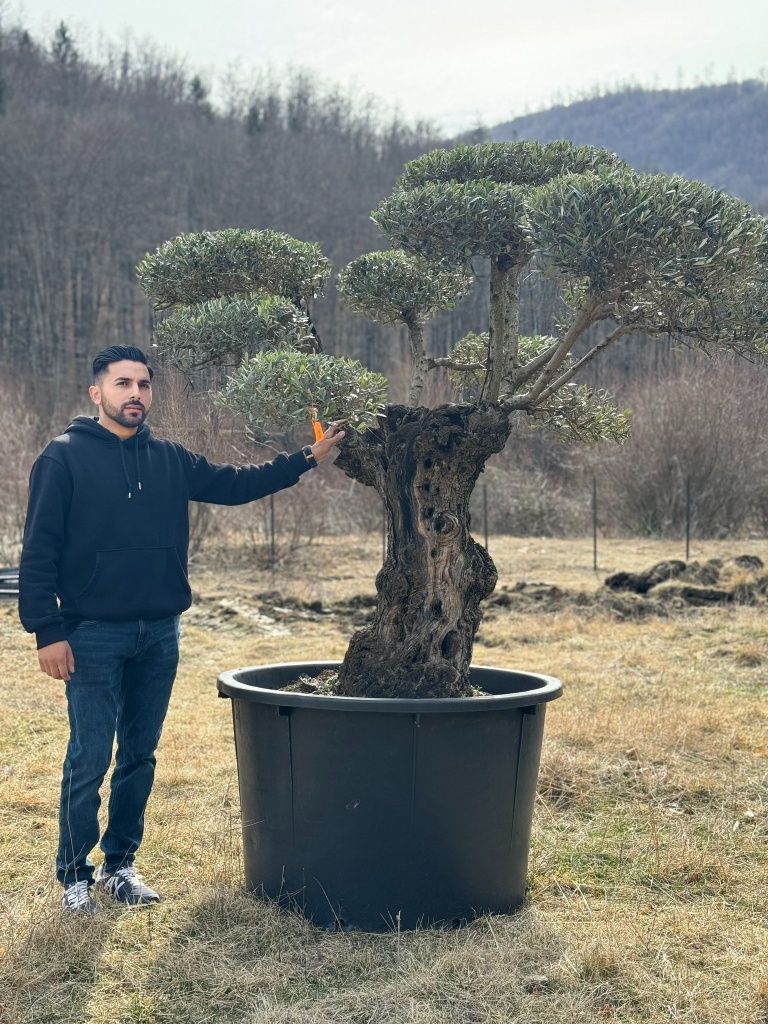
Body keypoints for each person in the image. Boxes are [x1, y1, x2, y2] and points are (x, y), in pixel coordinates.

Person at [18, 345, 344, 914]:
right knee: (89, 758)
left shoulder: (170, 458)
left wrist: (306, 458)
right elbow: (39, 552)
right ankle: (75, 875)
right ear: (98, 393)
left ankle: (120, 865)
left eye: (144, 385)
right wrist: (47, 630)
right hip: (91, 633)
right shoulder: (63, 457)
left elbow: (237, 484)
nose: (135, 394)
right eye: (123, 384)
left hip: (159, 633)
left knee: (140, 756)